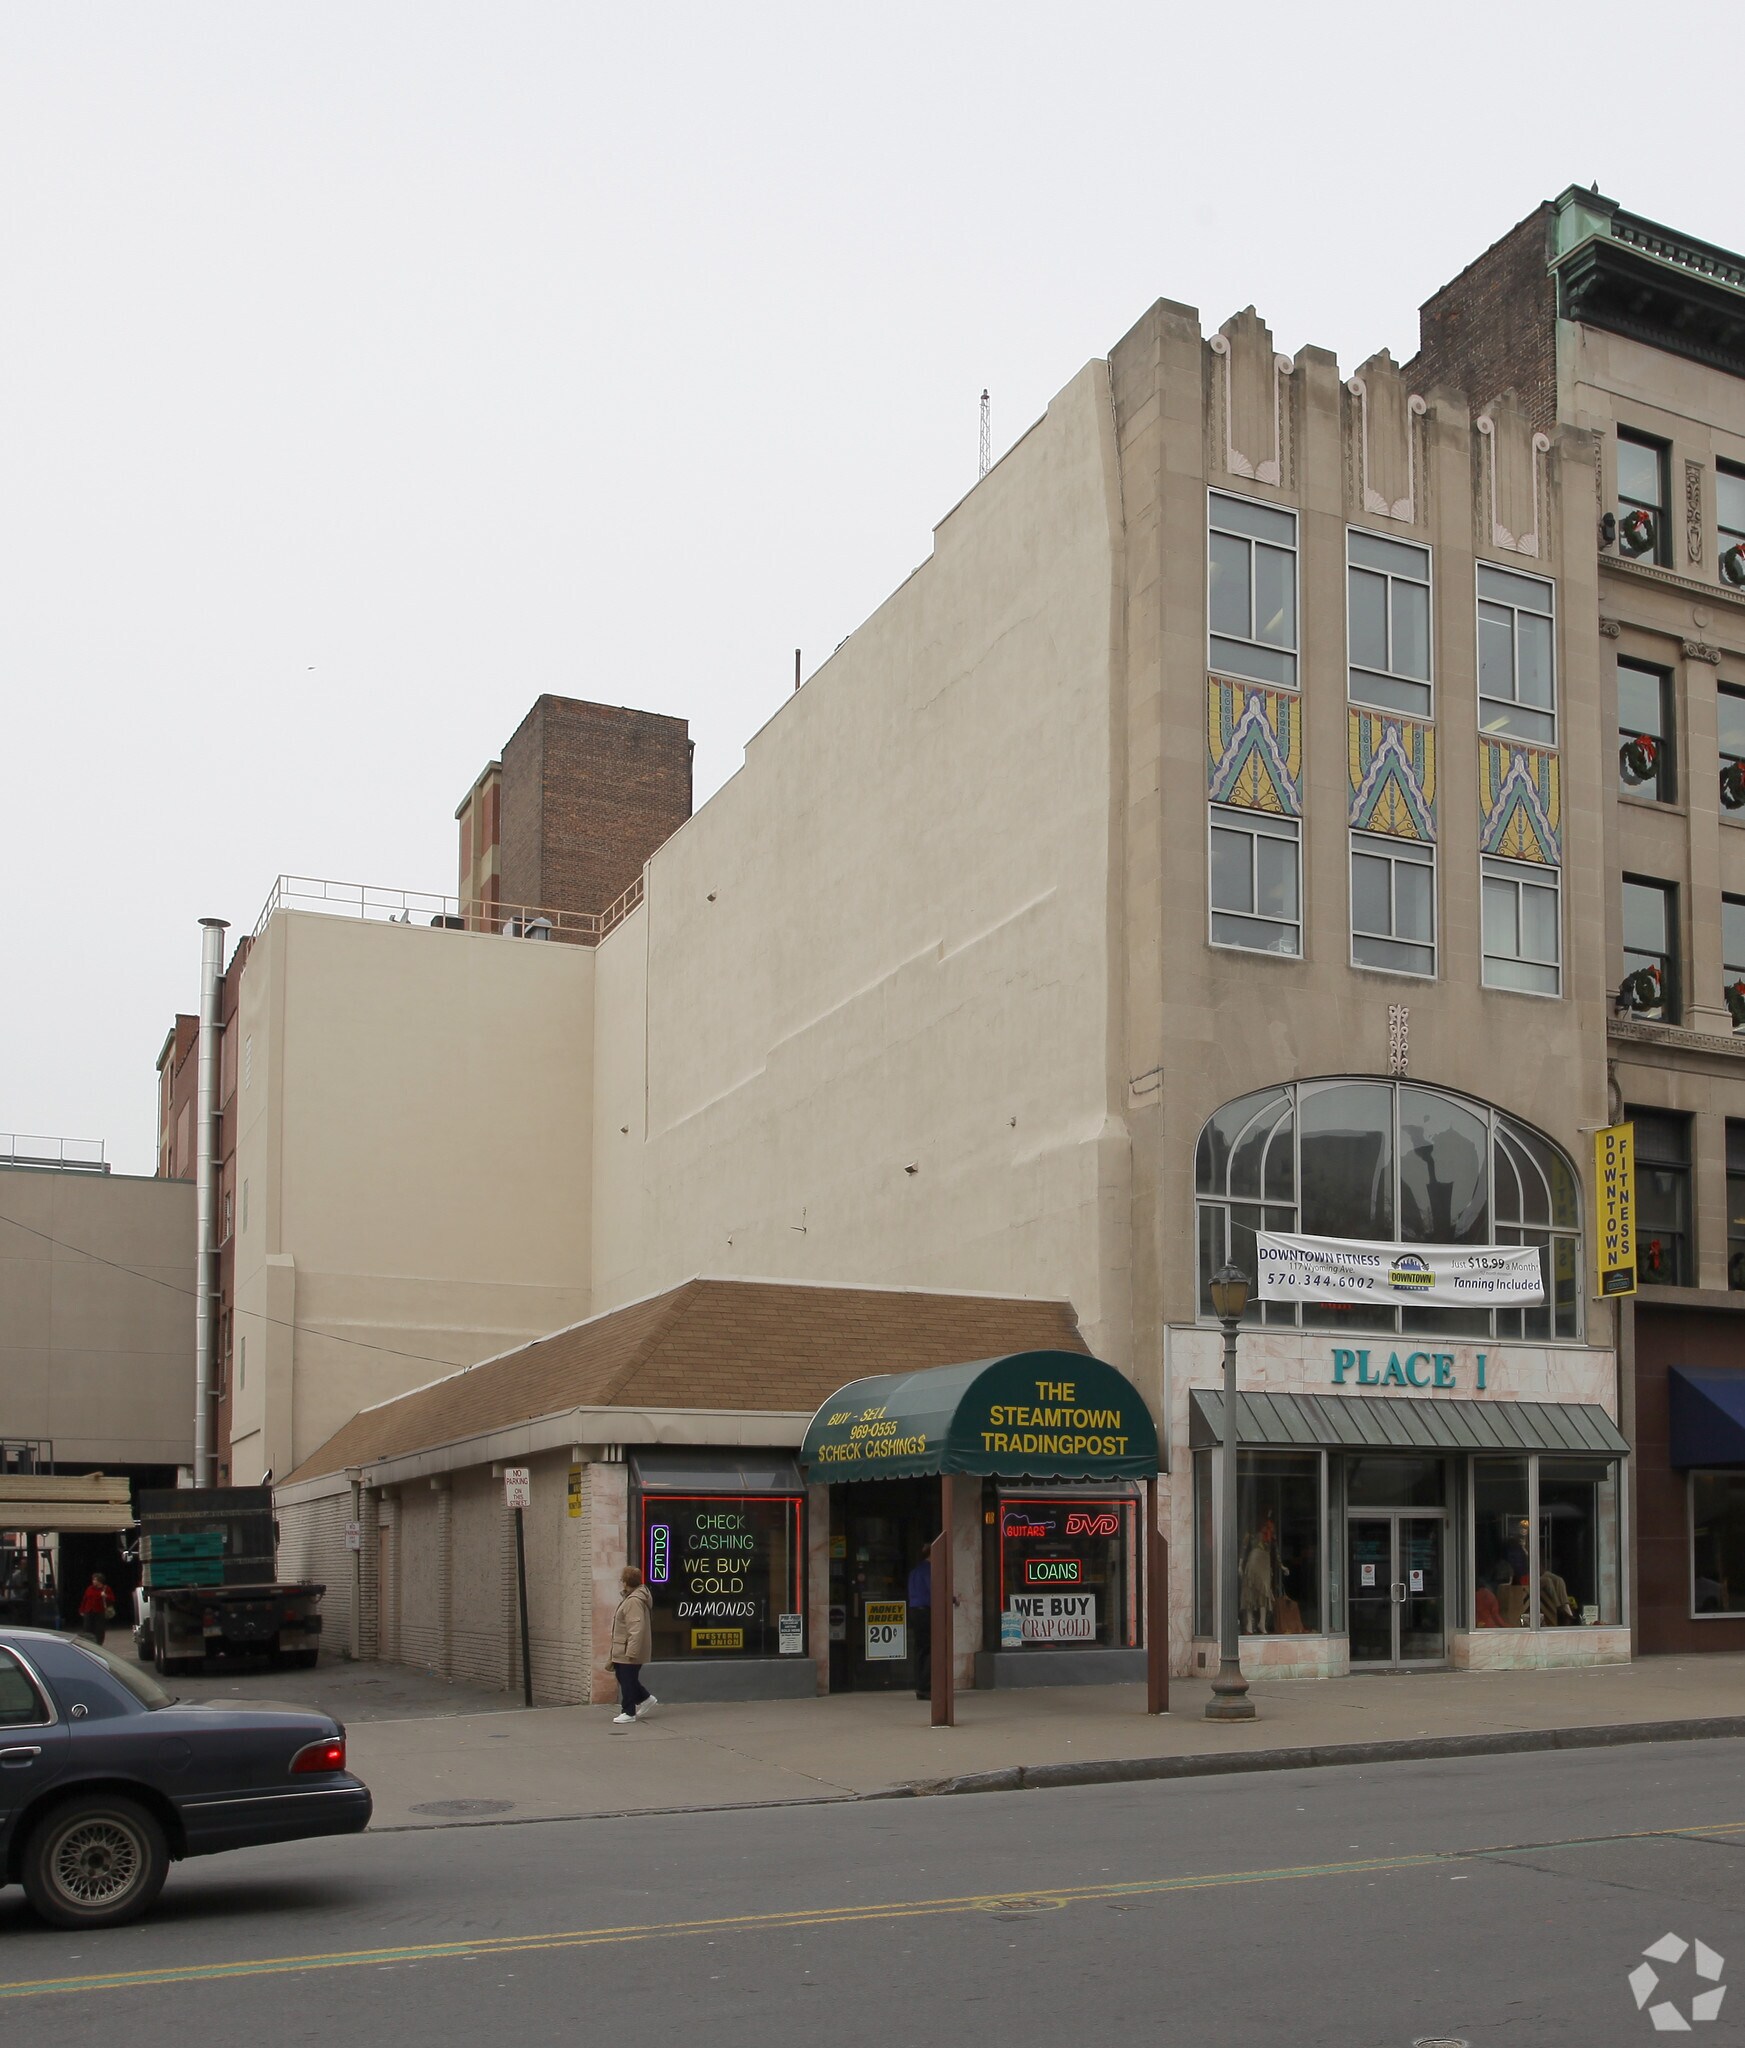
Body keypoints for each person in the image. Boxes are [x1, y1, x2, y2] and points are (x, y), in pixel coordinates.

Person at [605, 1565, 657, 1727]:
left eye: (622, 1580)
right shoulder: (633, 1598)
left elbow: (636, 1628)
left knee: (627, 1679)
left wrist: (632, 1651)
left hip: (628, 1649)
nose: (621, 1583)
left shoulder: (634, 1601)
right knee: (624, 1677)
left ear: (626, 1582)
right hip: (623, 1647)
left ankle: (628, 1712)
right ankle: (645, 1698)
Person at [907, 1552, 932, 1699]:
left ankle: (920, 1686)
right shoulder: (929, 1570)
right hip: (925, 1612)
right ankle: (926, 1686)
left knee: (920, 1649)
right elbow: (934, 1591)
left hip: (914, 1610)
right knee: (929, 1649)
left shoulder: (915, 1571)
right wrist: (952, 1599)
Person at [78, 1571, 115, 1646]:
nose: (93, 1581)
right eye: (93, 1580)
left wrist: (105, 1596)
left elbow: (112, 1599)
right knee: (87, 1628)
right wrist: (82, 1610)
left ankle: (98, 1644)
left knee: (99, 1629)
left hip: (100, 1612)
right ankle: (87, 1643)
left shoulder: (106, 1589)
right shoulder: (89, 1588)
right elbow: (85, 1599)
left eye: (95, 1580)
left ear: (100, 1581)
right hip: (89, 1611)